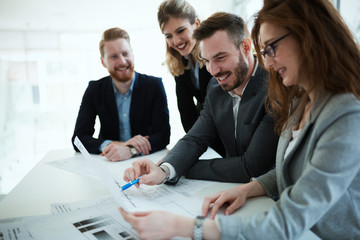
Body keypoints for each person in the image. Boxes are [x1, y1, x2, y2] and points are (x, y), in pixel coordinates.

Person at [119, 0, 360, 239]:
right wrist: (250, 189)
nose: (268, 61)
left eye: (270, 48)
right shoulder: (301, 100)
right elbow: (294, 170)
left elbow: (286, 220)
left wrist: (187, 226)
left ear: (306, 38)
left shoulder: (345, 114)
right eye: (264, 51)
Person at [124, 12, 278, 186]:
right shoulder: (215, 88)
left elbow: (251, 167)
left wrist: (182, 168)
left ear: (246, 47)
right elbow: (196, 138)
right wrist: (165, 170)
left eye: (220, 58)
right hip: (231, 190)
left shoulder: (274, 88)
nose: (213, 70)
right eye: (207, 61)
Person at [71, 27, 170, 161]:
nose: (122, 61)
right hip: (108, 161)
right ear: (103, 62)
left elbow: (163, 136)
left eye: (125, 53)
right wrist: (120, 145)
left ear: (133, 54)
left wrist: (130, 150)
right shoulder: (94, 89)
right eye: (114, 56)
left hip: (146, 161)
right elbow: (79, 139)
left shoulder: (154, 85)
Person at [157, 0, 225, 157]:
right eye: (168, 36)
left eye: (180, 31)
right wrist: (186, 148)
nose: (175, 41)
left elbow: (218, 110)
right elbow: (187, 115)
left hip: (228, 135)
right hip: (209, 140)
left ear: (197, 24)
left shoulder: (213, 56)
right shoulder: (180, 63)